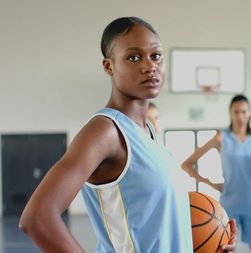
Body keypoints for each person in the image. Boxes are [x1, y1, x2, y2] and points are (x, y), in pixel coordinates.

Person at [18, 17, 236, 253]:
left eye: (156, 56)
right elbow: (37, 218)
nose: (149, 66)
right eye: (133, 57)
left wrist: (210, 244)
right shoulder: (105, 131)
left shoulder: (149, 133)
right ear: (108, 66)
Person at [181, 94, 251, 253]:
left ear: (250, 113)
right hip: (229, 204)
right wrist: (210, 183)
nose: (240, 116)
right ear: (230, 113)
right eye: (236, 112)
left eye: (244, 112)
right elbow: (187, 164)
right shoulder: (221, 137)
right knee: (225, 249)